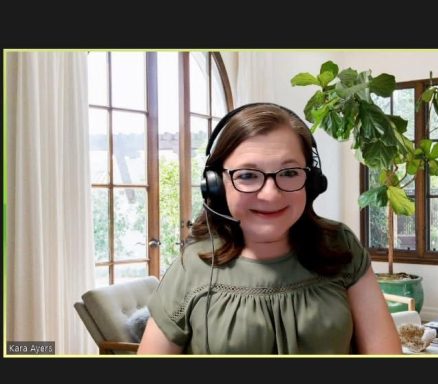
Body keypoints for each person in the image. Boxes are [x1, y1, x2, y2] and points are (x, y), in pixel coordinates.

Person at [138, 103, 401, 354]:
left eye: (289, 173)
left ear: (311, 182)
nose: (271, 195)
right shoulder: (192, 267)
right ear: (216, 185)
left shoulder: (340, 246)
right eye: (247, 176)